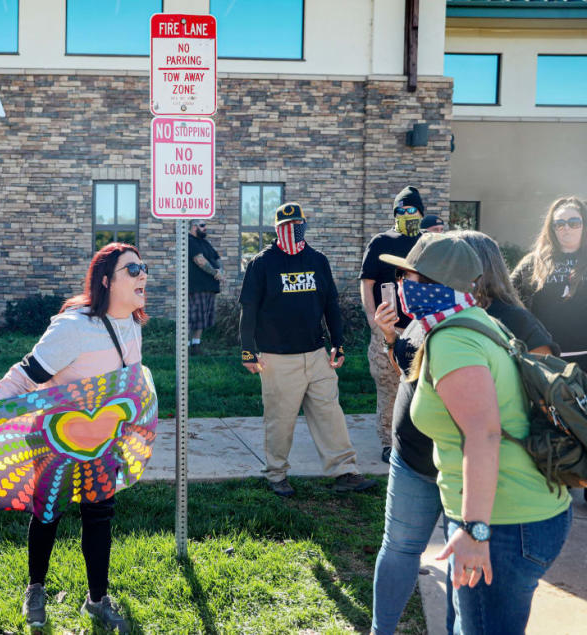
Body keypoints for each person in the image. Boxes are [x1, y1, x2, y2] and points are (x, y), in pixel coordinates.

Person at [379, 232, 571, 635]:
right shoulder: (468, 319)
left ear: (435, 284)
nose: (401, 286)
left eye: (409, 278)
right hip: (513, 518)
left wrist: (475, 530)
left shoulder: (453, 339)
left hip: (504, 525)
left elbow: (483, 436)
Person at [0, 242, 147, 633]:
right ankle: (36, 589)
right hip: (55, 440)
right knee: (48, 514)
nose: (142, 275)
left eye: (143, 268)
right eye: (132, 270)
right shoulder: (75, 327)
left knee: (99, 516)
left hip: (102, 442)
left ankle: (96, 600)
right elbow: (29, 373)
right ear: (106, 281)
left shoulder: (132, 324)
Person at [239, 202, 375, 498]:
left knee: (330, 414)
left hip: (316, 354)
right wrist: (248, 350)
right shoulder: (262, 263)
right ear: (276, 230)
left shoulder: (318, 260)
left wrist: (337, 342)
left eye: (297, 225)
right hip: (276, 358)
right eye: (286, 227)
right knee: (280, 419)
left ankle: (345, 471)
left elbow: (330, 305)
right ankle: (276, 474)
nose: (292, 231)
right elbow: (248, 309)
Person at [360, 186, 425, 463]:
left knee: (419, 387)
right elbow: (367, 283)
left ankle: (417, 440)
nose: (407, 214)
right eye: (401, 210)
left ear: (421, 212)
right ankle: (389, 442)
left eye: (411, 210)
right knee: (389, 387)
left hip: (421, 330)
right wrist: (373, 321)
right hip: (389, 329)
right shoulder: (381, 242)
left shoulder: (427, 244)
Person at [511, 196, 587, 371]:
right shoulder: (533, 262)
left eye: (574, 222)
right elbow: (506, 296)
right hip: (546, 361)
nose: (566, 228)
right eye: (559, 224)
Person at [187, 219, 223, 354]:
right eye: (202, 225)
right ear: (193, 227)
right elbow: (200, 261)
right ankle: (186, 347)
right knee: (192, 318)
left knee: (202, 318)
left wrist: (221, 271)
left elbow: (217, 258)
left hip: (209, 287)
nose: (205, 228)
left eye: (205, 225)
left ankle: (196, 346)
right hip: (196, 287)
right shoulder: (189, 241)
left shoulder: (205, 243)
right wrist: (216, 273)